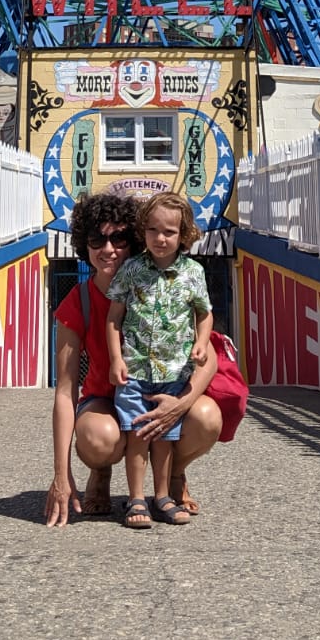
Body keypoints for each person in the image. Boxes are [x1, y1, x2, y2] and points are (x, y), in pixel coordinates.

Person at [44, 190, 221, 528]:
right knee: (99, 438)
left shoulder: (172, 281)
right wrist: (61, 475)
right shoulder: (77, 302)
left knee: (207, 417)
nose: (108, 249)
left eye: (120, 238)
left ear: (136, 240)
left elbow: (209, 358)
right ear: (84, 244)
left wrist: (180, 405)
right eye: (97, 239)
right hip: (105, 400)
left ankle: (173, 476)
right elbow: (64, 392)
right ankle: (100, 471)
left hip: (163, 390)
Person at [106, 192, 213, 528]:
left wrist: (203, 342)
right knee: (138, 435)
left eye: (169, 232)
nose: (160, 238)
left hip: (174, 370)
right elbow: (114, 316)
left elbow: (204, 313)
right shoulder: (132, 269)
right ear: (144, 231)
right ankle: (136, 499)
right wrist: (115, 358)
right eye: (153, 230)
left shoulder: (193, 272)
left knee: (165, 436)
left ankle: (162, 496)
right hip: (136, 368)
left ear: (183, 235)